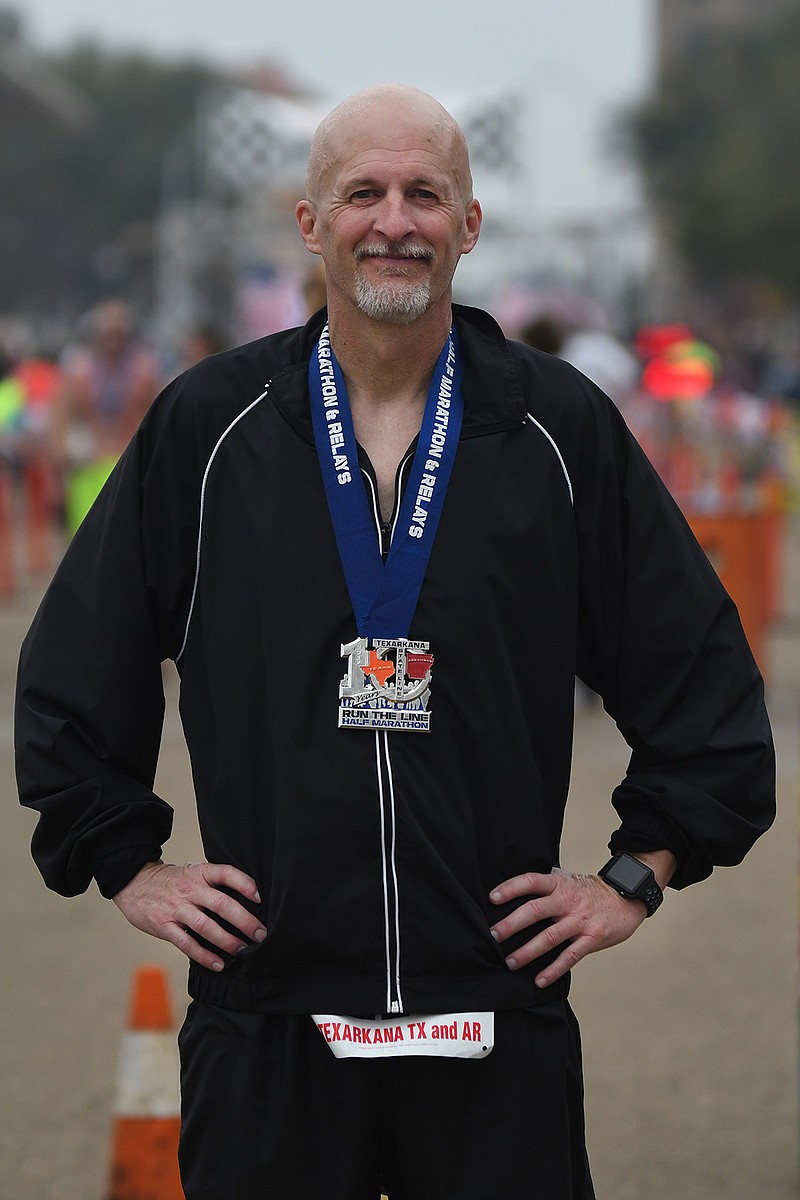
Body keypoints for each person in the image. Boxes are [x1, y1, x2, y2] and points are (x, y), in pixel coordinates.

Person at [15, 85, 775, 1200]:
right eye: (360, 193)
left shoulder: (555, 430)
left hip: (493, 1016)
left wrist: (630, 877)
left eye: (425, 193)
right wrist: (125, 860)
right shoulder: (209, 427)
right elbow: (76, 668)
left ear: (468, 224)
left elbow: (700, 686)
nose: (393, 220)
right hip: (270, 1013)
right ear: (310, 223)